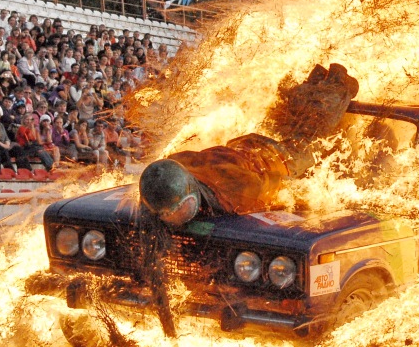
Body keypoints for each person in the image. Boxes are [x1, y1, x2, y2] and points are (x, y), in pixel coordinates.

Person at [140, 63, 358, 226]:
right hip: (245, 145)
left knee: (311, 136)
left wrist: (311, 197)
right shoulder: (174, 165)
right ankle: (317, 81)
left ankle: (337, 84)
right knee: (296, 126)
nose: (169, 218)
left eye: (178, 212)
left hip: (277, 158)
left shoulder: (237, 189)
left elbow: (280, 186)